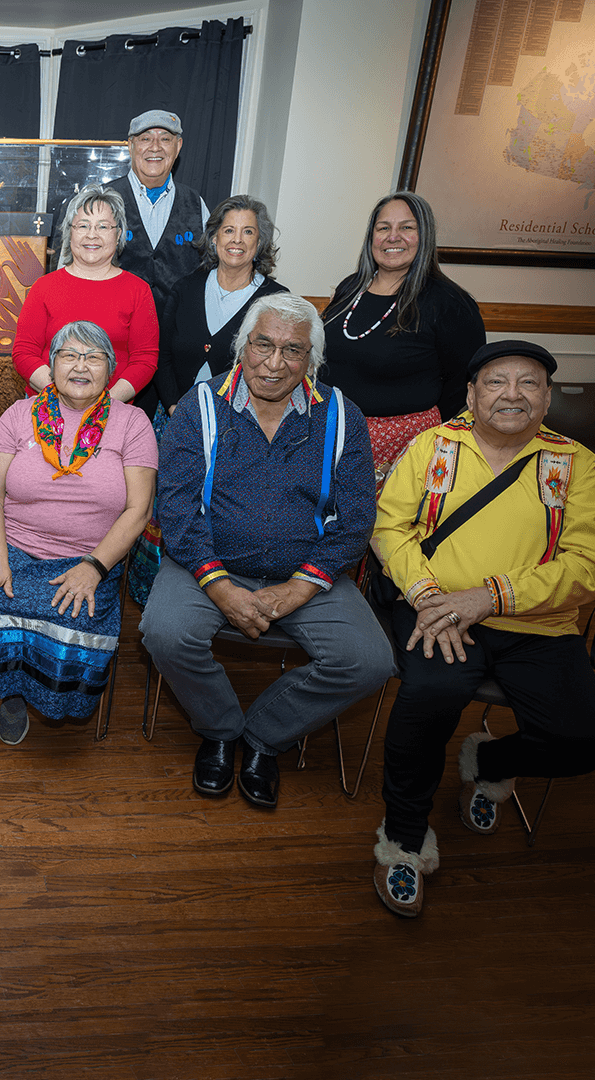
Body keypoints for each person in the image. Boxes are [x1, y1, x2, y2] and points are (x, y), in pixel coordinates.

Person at [370, 340, 595, 918]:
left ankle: (489, 763)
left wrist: (488, 596)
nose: (512, 395)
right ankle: (404, 838)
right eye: (496, 382)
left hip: (539, 625)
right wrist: (426, 597)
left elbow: (586, 564)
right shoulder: (434, 446)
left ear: (547, 398)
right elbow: (389, 527)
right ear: (471, 395)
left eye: (528, 384)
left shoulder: (577, 463)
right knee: (428, 696)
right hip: (436, 611)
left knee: (579, 738)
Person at [139, 294, 393, 808]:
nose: (274, 364)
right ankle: (221, 728)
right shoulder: (199, 407)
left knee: (368, 661)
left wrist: (299, 588)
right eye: (263, 345)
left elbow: (357, 518)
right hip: (206, 565)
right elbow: (178, 508)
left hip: (308, 573)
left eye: (293, 351)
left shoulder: (342, 415)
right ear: (243, 346)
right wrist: (219, 585)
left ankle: (262, 736)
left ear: (311, 361)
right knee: (163, 632)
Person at [0, 320, 158, 744]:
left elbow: (139, 511)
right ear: (51, 365)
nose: (80, 366)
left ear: (111, 369)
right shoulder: (18, 414)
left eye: (93, 357)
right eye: (69, 355)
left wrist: (95, 568)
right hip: (13, 546)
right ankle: (10, 693)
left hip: (90, 556)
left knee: (71, 618)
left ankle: (52, 697)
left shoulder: (132, 424)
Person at [127, 194, 288, 604]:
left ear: (260, 242)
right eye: (227, 230)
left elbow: (278, 367)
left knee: (217, 509)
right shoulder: (186, 286)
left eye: (248, 231)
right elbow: (160, 353)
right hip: (175, 417)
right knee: (162, 507)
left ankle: (211, 594)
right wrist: (175, 404)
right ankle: (151, 593)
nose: (236, 240)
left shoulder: (276, 300)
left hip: (240, 427)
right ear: (213, 238)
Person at [322, 191, 485, 489]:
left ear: (425, 237)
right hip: (330, 435)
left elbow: (464, 385)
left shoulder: (449, 303)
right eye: (383, 228)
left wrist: (417, 435)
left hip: (402, 452)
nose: (393, 237)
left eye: (407, 228)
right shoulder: (350, 288)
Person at [11, 184, 158, 403]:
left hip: (111, 408)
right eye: (83, 225)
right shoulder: (43, 287)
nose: (92, 235)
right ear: (70, 232)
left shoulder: (138, 291)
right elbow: (24, 352)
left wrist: (104, 403)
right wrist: (64, 394)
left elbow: (145, 359)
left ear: (118, 235)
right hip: (48, 404)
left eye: (103, 227)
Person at [104, 109, 209, 329]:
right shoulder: (103, 199)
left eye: (165, 139)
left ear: (178, 146)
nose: (155, 147)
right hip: (113, 333)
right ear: (131, 145)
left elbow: (212, 270)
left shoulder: (196, 204)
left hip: (176, 336)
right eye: (145, 139)